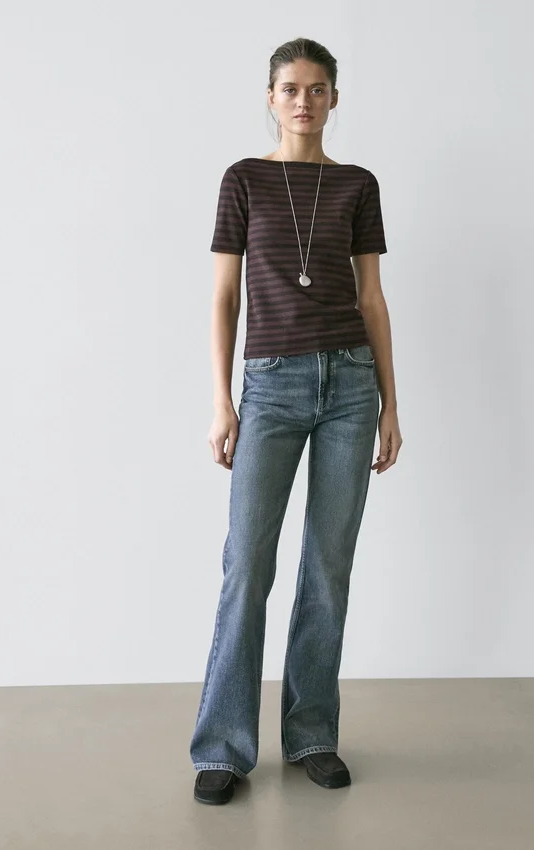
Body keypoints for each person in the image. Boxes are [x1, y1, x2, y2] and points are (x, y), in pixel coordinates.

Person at [191, 36, 402, 805]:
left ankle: (313, 732)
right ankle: (223, 746)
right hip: (271, 386)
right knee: (248, 565)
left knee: (327, 566)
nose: (304, 101)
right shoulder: (243, 180)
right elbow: (224, 297)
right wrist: (222, 400)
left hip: (350, 384)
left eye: (317, 89)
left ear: (334, 99)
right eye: (290, 88)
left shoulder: (357, 185)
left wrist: (391, 403)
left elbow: (371, 298)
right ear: (271, 97)